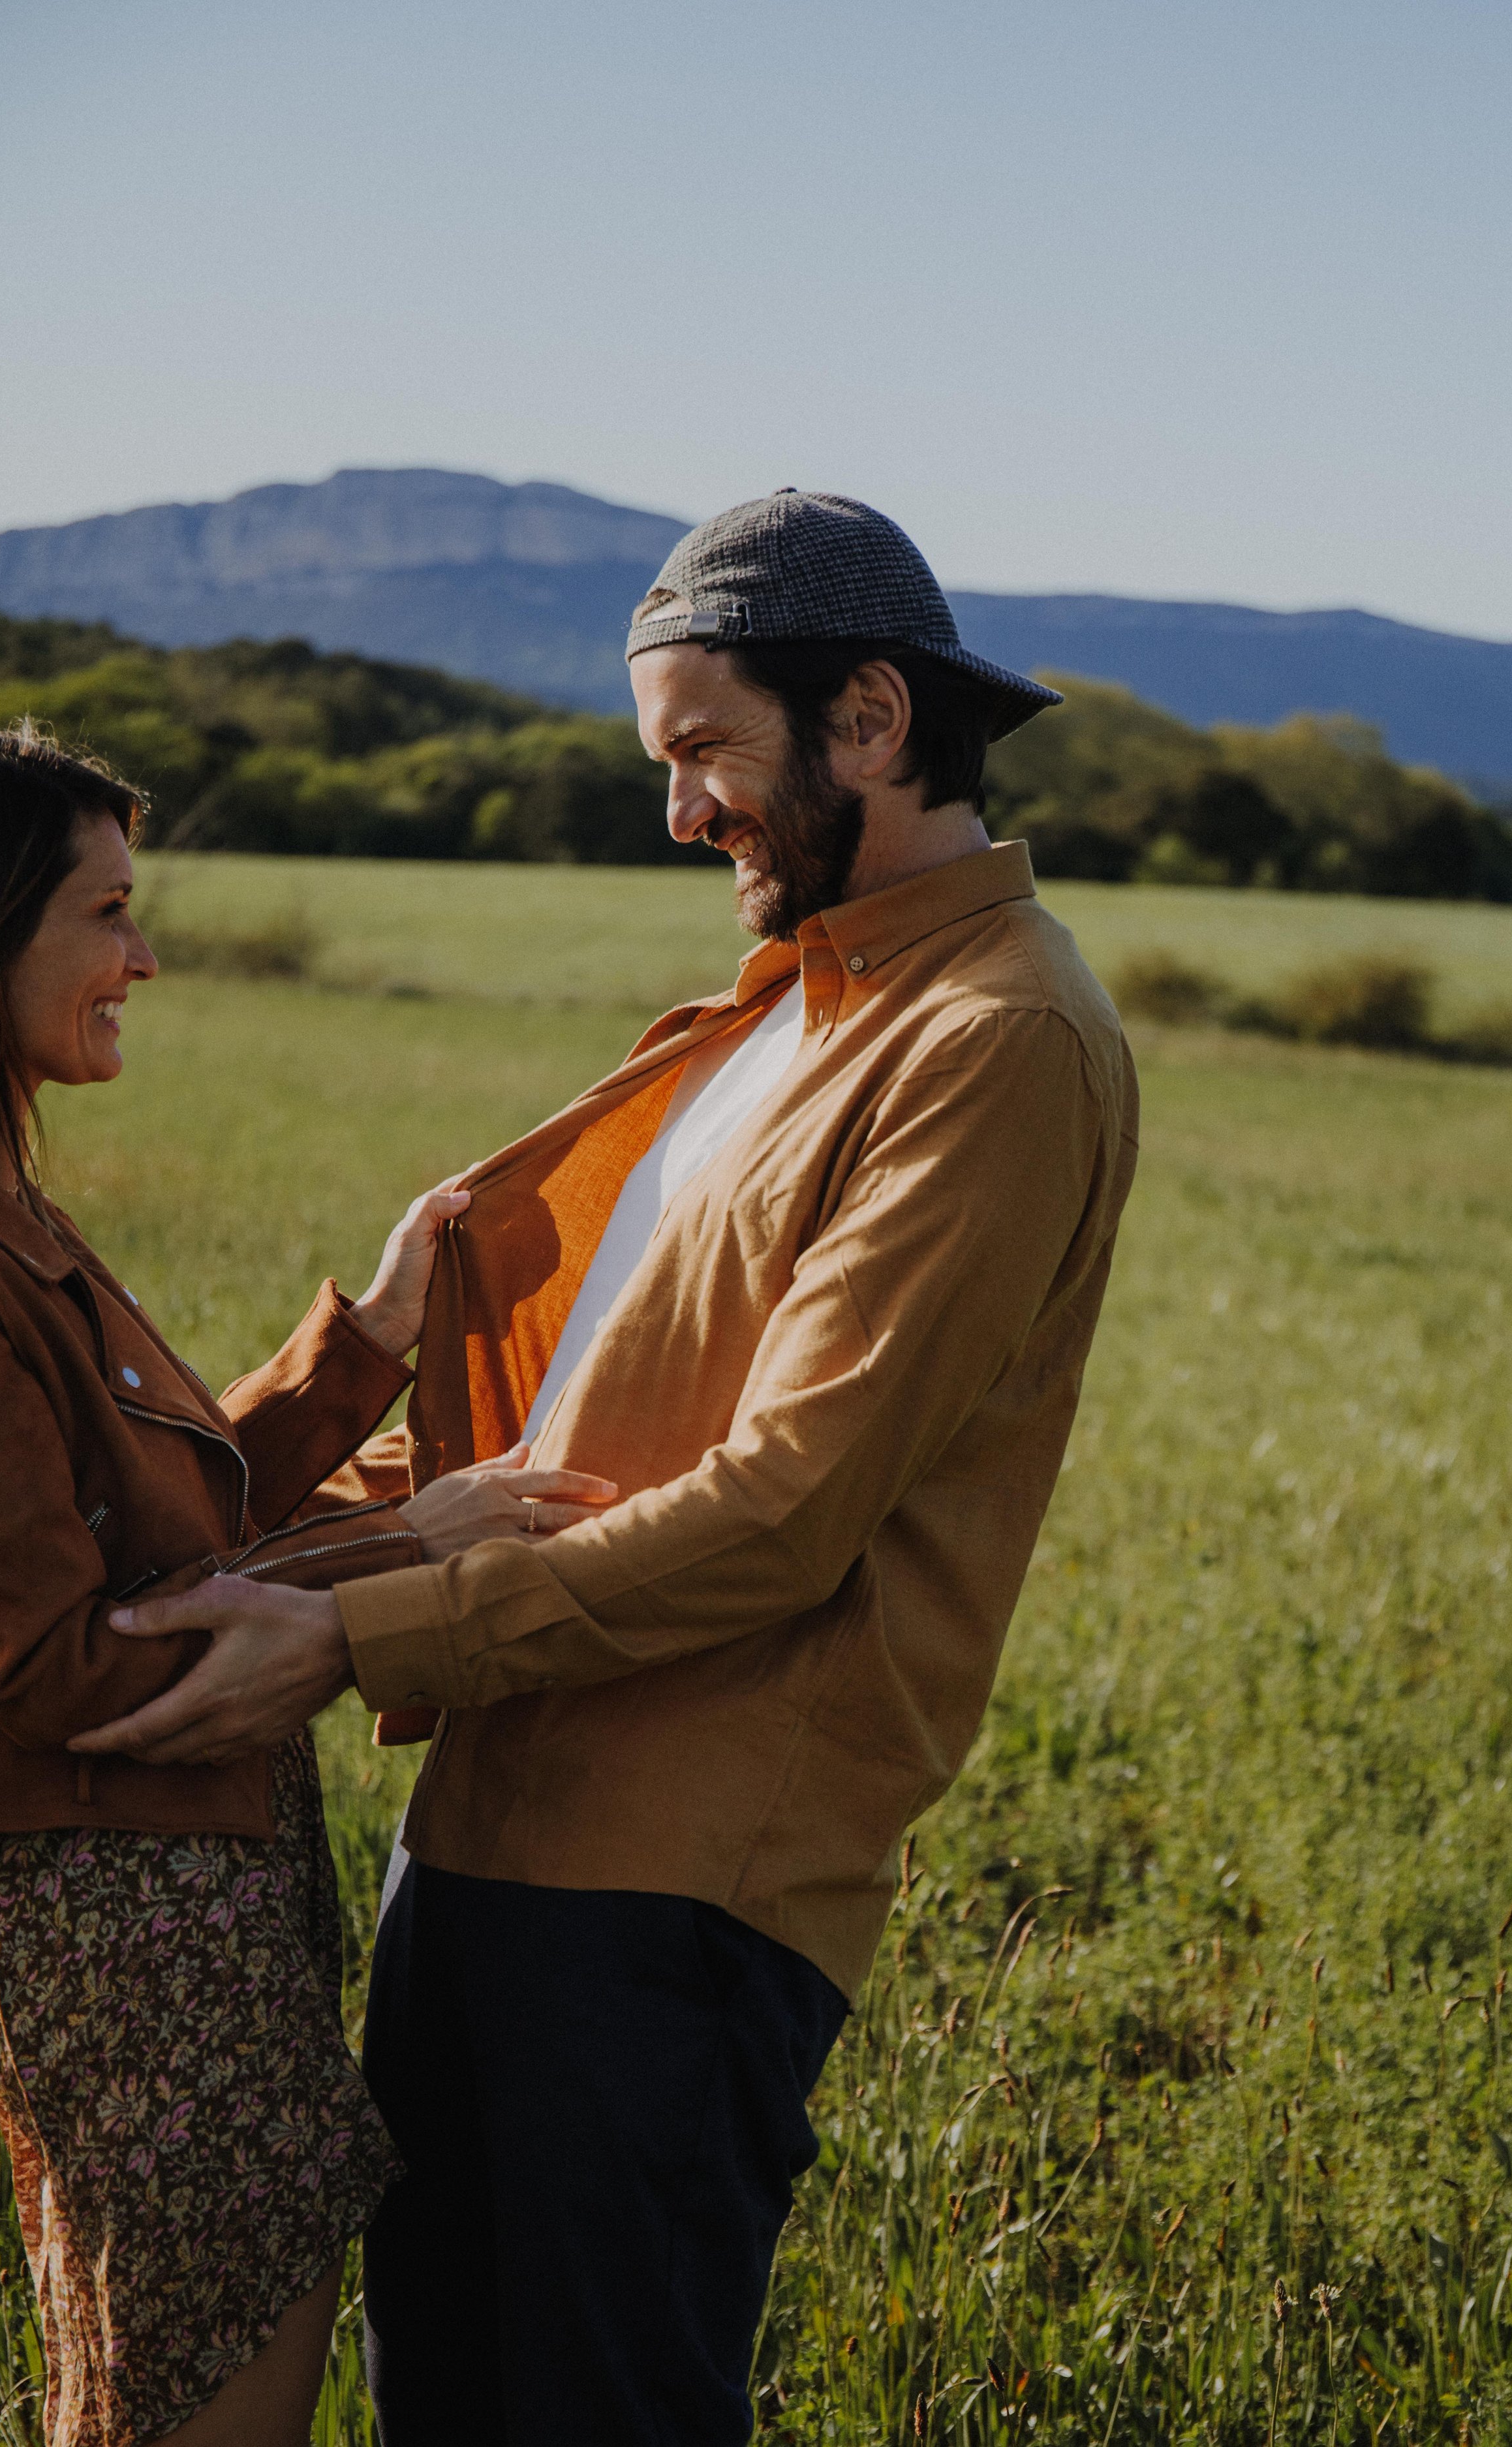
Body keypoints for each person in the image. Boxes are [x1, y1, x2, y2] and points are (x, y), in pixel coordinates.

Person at [80, 492, 1140, 2445]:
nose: (679, 815)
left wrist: (347, 1642)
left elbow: (785, 1510)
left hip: (677, 1891)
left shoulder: (994, 1039)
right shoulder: (766, 1021)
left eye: (705, 752)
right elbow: (559, 1439)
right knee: (448, 2401)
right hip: (484, 1830)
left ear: (874, 722)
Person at [0, 725, 613, 2447]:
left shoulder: (4, 1208)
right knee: (195, 2412)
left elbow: (160, 1529)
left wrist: (374, 1337)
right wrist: (404, 1548)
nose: (144, 958)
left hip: (187, 1932)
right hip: (130, 1955)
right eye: (106, 915)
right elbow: (52, 1669)